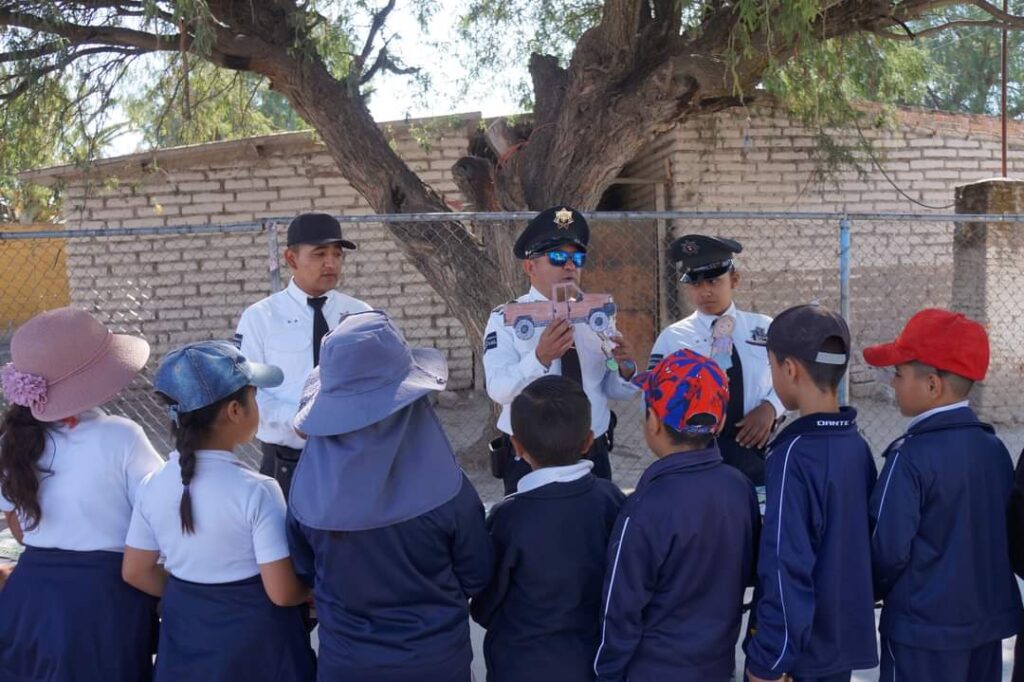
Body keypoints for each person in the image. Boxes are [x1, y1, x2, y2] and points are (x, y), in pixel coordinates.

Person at [287, 310, 493, 682]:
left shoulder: (306, 497)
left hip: (346, 666)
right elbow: (476, 575)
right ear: (408, 401)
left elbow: (305, 574)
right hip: (436, 664)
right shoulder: (449, 492)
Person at [122, 341, 315, 681]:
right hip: (258, 647)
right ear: (235, 410)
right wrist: (312, 593)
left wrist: (195, 594)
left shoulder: (152, 486)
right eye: (254, 397)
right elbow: (282, 593)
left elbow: (136, 572)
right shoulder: (258, 490)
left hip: (187, 637)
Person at [0, 308, 162, 681]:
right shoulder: (121, 436)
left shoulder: (13, 442)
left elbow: (19, 526)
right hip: (104, 602)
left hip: (29, 599)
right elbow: (158, 507)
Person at [865, 309, 1022, 682]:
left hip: (921, 631)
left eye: (899, 374)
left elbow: (885, 548)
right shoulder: (994, 448)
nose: (893, 383)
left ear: (933, 385)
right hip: (984, 626)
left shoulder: (909, 456)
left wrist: (868, 589)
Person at [593, 349, 759, 682]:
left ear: (652, 421)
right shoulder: (740, 488)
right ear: (721, 421)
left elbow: (620, 610)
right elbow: (748, 571)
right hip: (716, 665)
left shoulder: (643, 508)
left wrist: (606, 673)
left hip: (652, 670)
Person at [743, 304, 878, 682]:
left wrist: (771, 657)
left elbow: (786, 564)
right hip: (839, 648)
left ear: (789, 369)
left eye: (771, 366)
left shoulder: (792, 457)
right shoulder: (857, 445)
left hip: (799, 653)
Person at [471, 375, 625, 682]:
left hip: (521, 666)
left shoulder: (507, 517)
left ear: (516, 446)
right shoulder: (612, 500)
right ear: (588, 441)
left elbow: (485, 605)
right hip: (595, 662)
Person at [484, 206, 639, 494]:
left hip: (591, 448)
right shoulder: (506, 318)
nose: (570, 265)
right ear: (530, 267)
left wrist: (626, 369)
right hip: (531, 455)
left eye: (577, 257)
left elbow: (611, 388)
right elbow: (499, 389)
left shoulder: (599, 312)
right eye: (557, 257)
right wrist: (540, 359)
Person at [235, 212, 371, 499]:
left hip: (352, 455)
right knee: (288, 542)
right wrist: (296, 420)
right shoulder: (261, 318)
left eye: (337, 254)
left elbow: (377, 379)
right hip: (288, 462)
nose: (331, 263)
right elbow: (247, 391)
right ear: (291, 259)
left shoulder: (361, 314)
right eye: (320, 254)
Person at [648, 235, 783, 487]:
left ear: (734, 279)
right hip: (697, 452)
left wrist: (772, 407)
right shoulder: (673, 337)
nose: (705, 291)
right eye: (696, 284)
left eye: (713, 281)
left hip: (756, 447)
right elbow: (655, 398)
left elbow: (788, 376)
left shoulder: (764, 328)